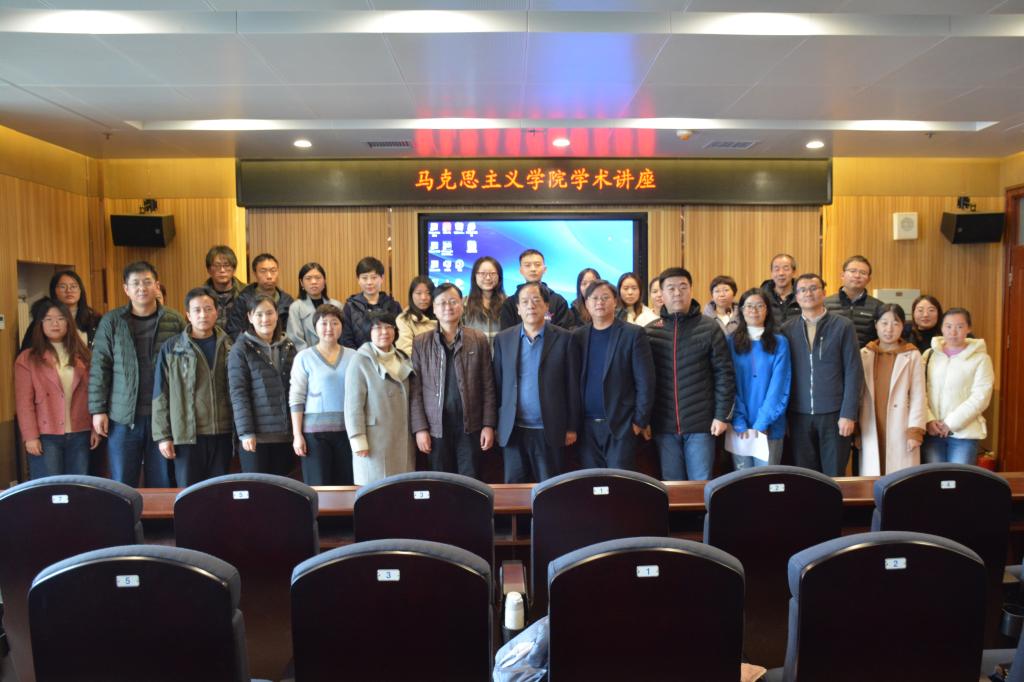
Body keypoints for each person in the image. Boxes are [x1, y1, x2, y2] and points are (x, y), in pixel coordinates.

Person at [89, 261, 185, 487]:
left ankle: (160, 515)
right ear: (126, 289)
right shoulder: (112, 321)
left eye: (147, 282)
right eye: (135, 283)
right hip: (123, 417)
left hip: (163, 417)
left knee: (162, 481)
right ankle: (125, 514)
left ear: (157, 286)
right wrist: (98, 410)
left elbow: (185, 368)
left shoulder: (175, 320)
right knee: (122, 481)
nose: (142, 288)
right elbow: (100, 366)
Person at [644, 267, 735, 481]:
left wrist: (722, 415)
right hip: (663, 424)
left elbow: (724, 374)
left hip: (701, 424)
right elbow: (644, 381)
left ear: (691, 290)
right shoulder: (650, 332)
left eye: (683, 287)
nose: (677, 293)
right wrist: (645, 418)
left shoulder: (709, 327)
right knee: (672, 484)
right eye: (671, 288)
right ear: (661, 294)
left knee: (701, 483)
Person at [493, 282, 580, 483]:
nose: (530, 306)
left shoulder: (565, 339)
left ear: (546, 306)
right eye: (524, 302)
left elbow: (572, 386)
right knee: (513, 489)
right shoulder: (503, 339)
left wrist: (571, 426)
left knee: (550, 489)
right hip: (513, 430)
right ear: (517, 308)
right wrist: (495, 424)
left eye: (536, 300)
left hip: (550, 428)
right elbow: (497, 383)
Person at [410, 284, 497, 479]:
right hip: (436, 429)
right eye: (442, 303)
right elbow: (415, 391)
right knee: (441, 483)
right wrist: (420, 429)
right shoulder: (421, 342)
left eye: (453, 302)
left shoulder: (477, 339)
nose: (448, 307)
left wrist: (488, 425)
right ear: (433, 308)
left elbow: (488, 386)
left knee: (470, 482)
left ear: (462, 304)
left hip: (471, 427)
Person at [781, 273, 863, 476]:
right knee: (806, 476)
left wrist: (848, 414)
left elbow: (853, 371)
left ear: (824, 293)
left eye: (813, 288)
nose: (808, 293)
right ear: (796, 296)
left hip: (834, 414)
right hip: (798, 415)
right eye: (802, 290)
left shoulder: (843, 326)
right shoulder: (787, 329)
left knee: (834, 475)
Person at [152, 287, 234, 486]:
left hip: (222, 434)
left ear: (216, 312)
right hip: (186, 436)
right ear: (188, 315)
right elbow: (160, 394)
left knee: (219, 493)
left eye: (208, 309)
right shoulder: (172, 348)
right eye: (197, 310)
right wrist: (163, 436)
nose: (203, 315)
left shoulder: (230, 346)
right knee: (189, 495)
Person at [572, 279, 654, 471]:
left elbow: (645, 381)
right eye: (594, 298)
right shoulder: (577, 336)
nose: (599, 302)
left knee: (620, 482)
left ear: (615, 301)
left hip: (621, 425)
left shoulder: (633, 334)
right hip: (586, 427)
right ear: (586, 303)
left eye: (605, 297)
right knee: (592, 482)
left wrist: (639, 421)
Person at [15, 298, 98, 478]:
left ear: (68, 323)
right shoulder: (27, 359)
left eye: (61, 318)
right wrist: (30, 436)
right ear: (40, 324)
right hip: (45, 435)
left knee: (77, 485)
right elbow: (24, 402)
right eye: (49, 319)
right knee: (48, 487)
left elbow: (94, 394)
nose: (55, 323)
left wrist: (94, 428)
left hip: (80, 432)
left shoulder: (83, 355)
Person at [227, 294, 297, 476]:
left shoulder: (288, 346)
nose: (265, 319)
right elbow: (238, 393)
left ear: (277, 315)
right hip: (256, 438)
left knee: (283, 488)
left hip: (286, 435)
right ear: (250, 317)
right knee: (258, 489)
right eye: (259, 314)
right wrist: (246, 433)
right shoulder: (240, 349)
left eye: (269, 313)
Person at [290, 303, 357, 486]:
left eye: (335, 323)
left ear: (342, 327)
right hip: (314, 436)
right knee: (319, 488)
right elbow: (296, 398)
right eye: (324, 323)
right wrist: (297, 435)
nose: (329, 328)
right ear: (315, 327)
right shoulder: (304, 357)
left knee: (346, 487)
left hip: (348, 433)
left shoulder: (354, 356)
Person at [344, 310, 414, 485]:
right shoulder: (360, 360)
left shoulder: (404, 358)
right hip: (374, 441)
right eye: (377, 328)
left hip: (403, 437)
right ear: (369, 332)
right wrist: (358, 439)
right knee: (376, 491)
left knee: (402, 489)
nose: (384, 332)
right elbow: (353, 405)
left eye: (389, 327)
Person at [858, 304, 926, 476]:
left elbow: (919, 396)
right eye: (884, 323)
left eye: (896, 323)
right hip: (870, 424)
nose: (889, 329)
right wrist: (856, 431)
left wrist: (915, 431)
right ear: (876, 324)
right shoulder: (864, 354)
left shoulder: (912, 355)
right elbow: (858, 395)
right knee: (872, 476)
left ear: (903, 326)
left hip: (901, 426)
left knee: (900, 481)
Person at [726, 289, 791, 469]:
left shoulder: (780, 343)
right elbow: (727, 383)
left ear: (767, 310)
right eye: (749, 306)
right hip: (740, 426)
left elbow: (779, 386)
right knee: (742, 480)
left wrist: (763, 422)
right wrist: (739, 420)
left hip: (770, 425)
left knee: (767, 480)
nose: (754, 310)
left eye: (759, 306)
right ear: (741, 310)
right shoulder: (730, 342)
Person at [921, 308, 994, 466]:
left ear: (969, 328)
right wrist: (929, 419)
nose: (953, 332)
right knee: (934, 478)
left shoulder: (981, 359)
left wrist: (951, 423)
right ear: (941, 328)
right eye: (948, 326)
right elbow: (919, 391)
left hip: (964, 435)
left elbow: (981, 397)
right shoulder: (929, 355)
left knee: (959, 479)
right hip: (933, 432)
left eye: (960, 326)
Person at [21, 270, 102, 351]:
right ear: (54, 290)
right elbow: (27, 353)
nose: (69, 290)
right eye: (63, 286)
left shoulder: (94, 320)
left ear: (80, 290)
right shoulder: (43, 320)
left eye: (73, 286)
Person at [226, 253, 294, 339]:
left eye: (273, 271)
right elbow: (234, 331)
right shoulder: (243, 299)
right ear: (255, 273)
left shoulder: (287, 301)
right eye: (263, 271)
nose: (269, 276)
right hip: (249, 345)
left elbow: (291, 333)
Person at [499, 249, 572, 329]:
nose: (533, 269)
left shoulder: (558, 301)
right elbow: (507, 334)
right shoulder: (510, 303)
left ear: (544, 269)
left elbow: (564, 333)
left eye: (537, 265)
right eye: (527, 265)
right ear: (521, 271)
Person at [341, 256, 403, 350]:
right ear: (358, 280)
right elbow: (346, 339)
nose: (369, 282)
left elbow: (400, 336)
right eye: (364, 278)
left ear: (382, 278)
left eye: (374, 277)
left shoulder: (394, 305)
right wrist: (360, 357)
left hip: (389, 356)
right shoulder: (350, 307)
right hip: (359, 357)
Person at [824, 255, 883, 347]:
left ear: (868, 279)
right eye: (852, 271)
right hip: (833, 355)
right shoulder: (825, 304)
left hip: (865, 355)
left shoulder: (879, 307)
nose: (857, 275)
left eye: (863, 273)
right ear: (842, 275)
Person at [286, 262, 343, 352]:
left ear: (324, 281)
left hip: (335, 354)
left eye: (318, 278)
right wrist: (311, 356)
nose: (313, 282)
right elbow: (296, 340)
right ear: (301, 283)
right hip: (307, 357)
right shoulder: (296, 308)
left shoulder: (337, 305)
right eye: (308, 278)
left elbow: (343, 337)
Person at [463, 256, 507, 347]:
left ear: (499, 276)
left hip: (501, 355)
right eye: (482, 273)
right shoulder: (464, 303)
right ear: (475, 276)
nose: (488, 277)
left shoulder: (508, 303)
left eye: (492, 273)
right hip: (474, 355)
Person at [203, 245, 246, 330]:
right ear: (209, 270)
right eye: (217, 265)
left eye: (226, 265)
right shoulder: (200, 295)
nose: (222, 270)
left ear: (234, 269)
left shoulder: (247, 293)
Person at [395, 275, 437, 357]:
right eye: (418, 293)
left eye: (428, 293)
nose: (423, 297)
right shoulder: (404, 319)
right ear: (411, 295)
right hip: (419, 364)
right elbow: (406, 352)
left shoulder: (442, 315)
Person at [761, 253, 801, 325]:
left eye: (786, 269)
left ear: (794, 272)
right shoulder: (762, 297)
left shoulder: (803, 296)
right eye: (776, 269)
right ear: (772, 273)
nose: (781, 273)